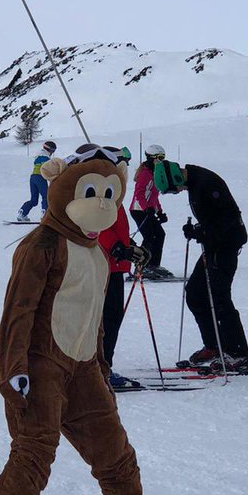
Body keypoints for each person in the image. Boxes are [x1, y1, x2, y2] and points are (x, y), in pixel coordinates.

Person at [0, 143, 163, 495]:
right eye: (91, 194)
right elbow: (17, 312)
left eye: (109, 195)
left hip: (84, 369)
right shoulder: (41, 245)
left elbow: (95, 317)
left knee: (116, 456)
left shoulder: (96, 252)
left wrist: (101, 366)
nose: (102, 205)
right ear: (64, 192)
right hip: (40, 366)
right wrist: (13, 370)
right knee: (33, 454)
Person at [153, 159, 248, 372]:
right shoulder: (196, 182)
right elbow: (213, 217)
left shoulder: (207, 183)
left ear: (176, 177)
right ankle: (214, 346)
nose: (177, 192)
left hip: (224, 247)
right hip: (213, 246)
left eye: (173, 189)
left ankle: (238, 353)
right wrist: (198, 229)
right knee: (196, 293)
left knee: (219, 298)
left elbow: (227, 219)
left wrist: (203, 232)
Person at [97, 148, 151, 391]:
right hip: (104, 267)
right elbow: (99, 226)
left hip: (114, 266)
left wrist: (132, 248)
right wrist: (119, 248)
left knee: (110, 319)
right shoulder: (104, 193)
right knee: (105, 320)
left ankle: (101, 367)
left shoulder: (113, 194)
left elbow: (114, 228)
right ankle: (99, 371)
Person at [129, 144, 173, 279]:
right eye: (157, 158)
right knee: (150, 237)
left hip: (147, 210)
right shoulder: (144, 173)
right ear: (150, 158)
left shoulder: (155, 173)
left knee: (160, 234)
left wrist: (159, 211)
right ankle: (141, 267)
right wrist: (146, 208)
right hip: (138, 210)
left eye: (162, 158)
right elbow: (139, 193)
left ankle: (153, 265)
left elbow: (154, 195)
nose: (160, 161)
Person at [16, 139, 56, 221]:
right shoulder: (45, 157)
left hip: (33, 178)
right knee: (46, 197)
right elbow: (47, 168)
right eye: (53, 150)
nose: (53, 153)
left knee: (34, 200)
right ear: (50, 149)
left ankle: (22, 213)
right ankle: (44, 215)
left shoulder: (38, 155)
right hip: (40, 178)